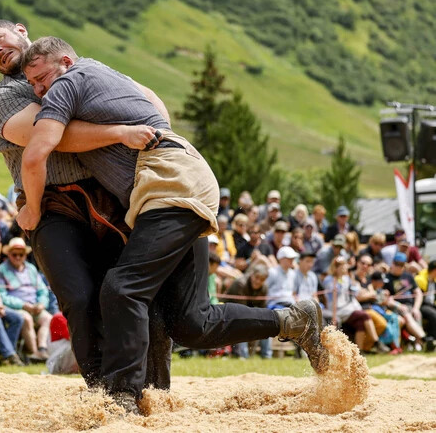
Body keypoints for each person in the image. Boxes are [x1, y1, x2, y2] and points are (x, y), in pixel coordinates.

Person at [18, 35, 326, 410]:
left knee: (122, 287)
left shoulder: (68, 82)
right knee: (191, 323)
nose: (37, 89)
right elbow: (153, 100)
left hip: (166, 182)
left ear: (65, 61)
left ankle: (122, 397)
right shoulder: (105, 71)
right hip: (178, 177)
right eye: (32, 84)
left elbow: (36, 155)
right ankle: (294, 321)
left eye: (40, 78)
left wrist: (31, 209)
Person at [0, 20, 188, 394]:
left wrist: (160, 134)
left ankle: (154, 393)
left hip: (108, 195)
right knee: (79, 297)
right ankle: (103, 394)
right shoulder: (0, 98)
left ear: (20, 30)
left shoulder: (74, 66)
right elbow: (56, 138)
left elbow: (145, 95)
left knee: (135, 295)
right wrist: (121, 131)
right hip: (50, 203)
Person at [0, 238, 51, 361]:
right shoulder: (0, 271)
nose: (18, 257)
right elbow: (1, 296)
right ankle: (34, 352)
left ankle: (42, 349)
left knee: (48, 318)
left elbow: (42, 290)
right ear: (9, 254)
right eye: (14, 254)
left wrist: (41, 304)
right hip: (15, 308)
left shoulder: (31, 268)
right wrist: (23, 305)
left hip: (35, 306)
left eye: (21, 254)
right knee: (26, 318)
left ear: (25, 255)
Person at [323, 256, 379, 353]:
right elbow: (333, 293)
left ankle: (358, 351)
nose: (345, 268)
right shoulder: (329, 279)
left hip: (347, 308)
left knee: (360, 323)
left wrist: (358, 288)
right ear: (336, 268)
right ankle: (376, 342)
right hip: (337, 310)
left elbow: (355, 290)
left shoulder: (346, 279)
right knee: (364, 315)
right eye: (342, 266)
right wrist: (338, 280)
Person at [225, 264, 272, 359]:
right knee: (244, 324)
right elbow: (241, 310)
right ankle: (243, 356)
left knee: (267, 325)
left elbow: (263, 308)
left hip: (250, 313)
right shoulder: (241, 284)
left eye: (262, 279)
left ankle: (267, 356)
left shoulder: (264, 288)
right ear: (252, 275)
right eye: (257, 277)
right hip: (230, 313)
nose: (258, 281)